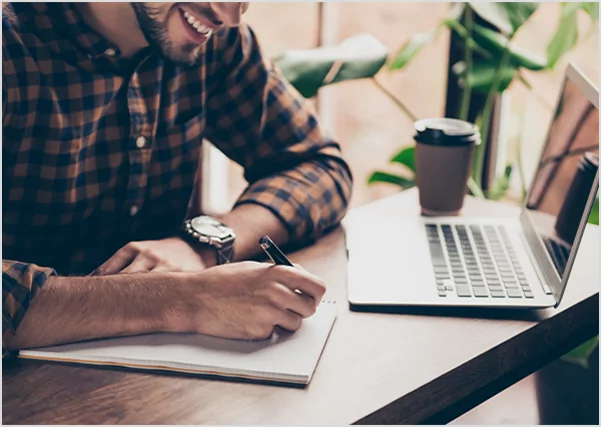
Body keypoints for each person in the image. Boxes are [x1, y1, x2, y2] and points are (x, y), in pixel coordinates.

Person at [2, 3, 352, 357]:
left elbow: (319, 166)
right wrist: (186, 298)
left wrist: (203, 245)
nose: (231, 15)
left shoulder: (207, 34)